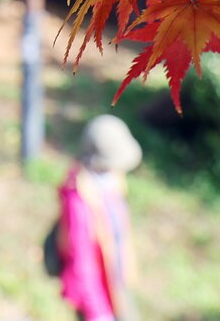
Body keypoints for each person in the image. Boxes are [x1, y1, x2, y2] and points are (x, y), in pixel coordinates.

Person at [56, 115, 142, 321]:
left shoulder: (110, 183)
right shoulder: (80, 199)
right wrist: (97, 313)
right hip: (96, 298)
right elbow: (82, 262)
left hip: (115, 281)